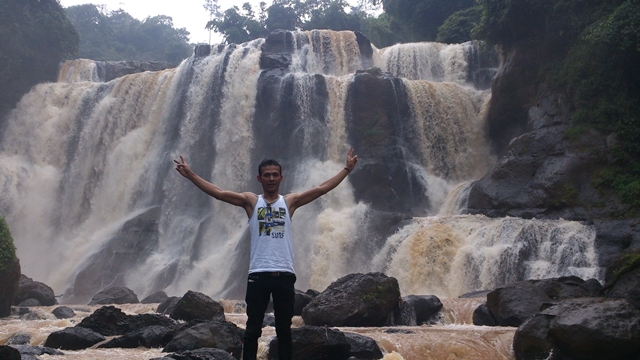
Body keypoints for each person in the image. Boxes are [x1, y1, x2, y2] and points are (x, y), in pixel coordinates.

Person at [173, 149, 359, 360]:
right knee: (252, 330)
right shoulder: (251, 201)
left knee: (284, 332)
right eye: (267, 175)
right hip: (258, 275)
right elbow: (219, 192)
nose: (271, 178)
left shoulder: (290, 202)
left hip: (285, 275)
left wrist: (346, 169)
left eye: (274, 174)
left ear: (281, 177)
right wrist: (191, 175)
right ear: (259, 178)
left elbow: (322, 188)